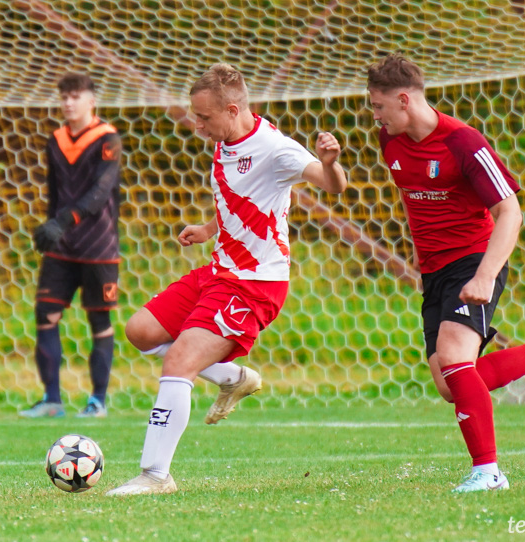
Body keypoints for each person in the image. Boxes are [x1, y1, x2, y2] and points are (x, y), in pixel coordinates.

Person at [105, 63, 348, 496]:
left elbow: (331, 186)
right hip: (219, 270)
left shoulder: (277, 149)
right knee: (140, 330)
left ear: (232, 109)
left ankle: (155, 476)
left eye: (204, 117)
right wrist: (209, 229)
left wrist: (330, 165)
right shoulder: (226, 139)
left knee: (178, 362)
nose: (197, 125)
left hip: (255, 284)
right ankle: (231, 377)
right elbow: (243, 199)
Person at [365, 54, 525, 493]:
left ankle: (488, 472)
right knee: (452, 383)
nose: (373, 115)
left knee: (454, 357)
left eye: (378, 106)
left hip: (474, 260)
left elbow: (509, 210)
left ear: (402, 100)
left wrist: (486, 274)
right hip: (434, 272)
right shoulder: (389, 140)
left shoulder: (464, 142)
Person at [19, 72, 123, 419]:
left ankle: (97, 402)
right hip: (61, 248)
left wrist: (62, 222)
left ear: (92, 100)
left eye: (75, 96)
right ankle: (52, 399)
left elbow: (99, 192)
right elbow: (56, 192)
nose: (67, 103)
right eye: (63, 96)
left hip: (99, 247)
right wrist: (49, 229)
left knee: (99, 321)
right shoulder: (56, 139)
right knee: (45, 314)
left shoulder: (108, 138)